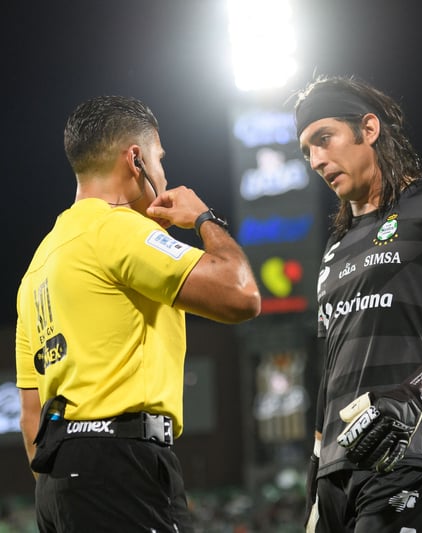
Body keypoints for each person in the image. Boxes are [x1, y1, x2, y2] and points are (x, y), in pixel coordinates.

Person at [15, 95, 261, 532]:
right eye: (159, 158)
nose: (164, 173)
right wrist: (203, 218)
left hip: (56, 484)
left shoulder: (38, 265)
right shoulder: (119, 230)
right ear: (136, 159)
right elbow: (242, 295)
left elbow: (30, 415)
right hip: (122, 467)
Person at [293, 74, 422, 532]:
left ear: (368, 129)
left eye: (324, 139)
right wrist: (314, 489)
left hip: (414, 452)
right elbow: (329, 376)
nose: (316, 160)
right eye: (307, 151)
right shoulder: (334, 250)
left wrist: (413, 394)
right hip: (335, 476)